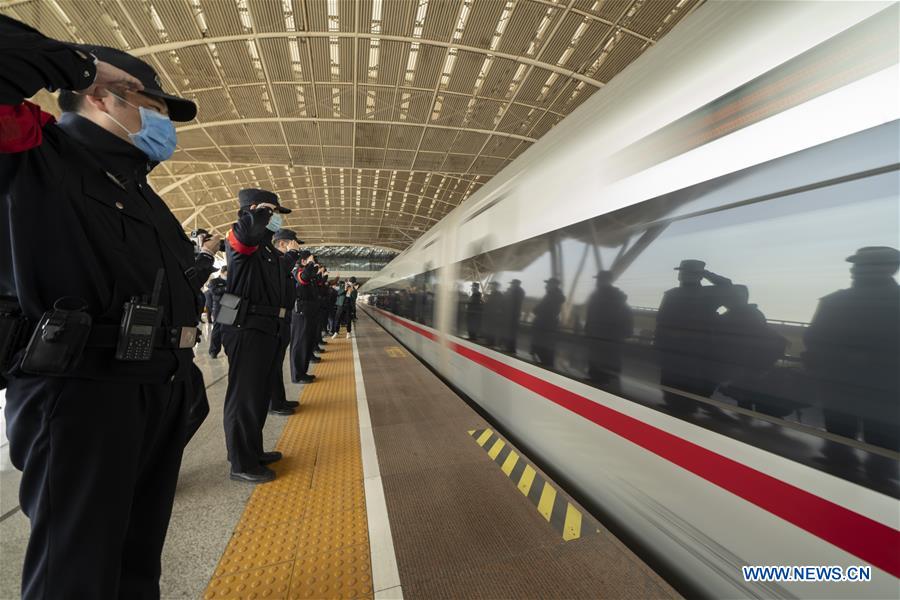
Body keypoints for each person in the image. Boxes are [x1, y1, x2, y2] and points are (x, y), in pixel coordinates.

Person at [0, 16, 220, 599]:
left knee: (134, 566)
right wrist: (79, 65)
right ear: (106, 96)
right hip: (81, 393)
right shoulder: (37, 151)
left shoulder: (139, 185)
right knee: (76, 577)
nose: (163, 123)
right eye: (155, 104)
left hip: (152, 387)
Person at [804, 247, 899, 482]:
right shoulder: (836, 300)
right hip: (880, 390)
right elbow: (814, 340)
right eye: (857, 265)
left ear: (891, 268)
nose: (855, 270)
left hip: (850, 386)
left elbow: (814, 340)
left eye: (862, 265)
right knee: (878, 451)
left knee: (849, 443)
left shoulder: (835, 302)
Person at [221, 188, 292, 483]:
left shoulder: (266, 251)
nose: (274, 219)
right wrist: (258, 213)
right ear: (256, 210)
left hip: (264, 328)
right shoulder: (242, 240)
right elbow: (246, 234)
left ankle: (254, 450)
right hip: (245, 327)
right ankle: (241, 463)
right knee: (244, 396)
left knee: (259, 395)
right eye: (272, 212)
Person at [654, 260, 732, 416]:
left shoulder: (700, 294)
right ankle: (680, 408)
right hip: (685, 349)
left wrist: (706, 274)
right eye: (681, 272)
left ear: (698, 276)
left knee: (680, 382)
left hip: (686, 349)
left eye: (685, 272)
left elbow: (729, 288)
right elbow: (661, 321)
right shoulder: (704, 295)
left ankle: (681, 409)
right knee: (677, 382)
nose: (681, 275)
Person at [269, 229, 303, 416]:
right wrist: (292, 255)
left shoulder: (282, 262)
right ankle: (273, 404)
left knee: (276, 364)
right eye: (294, 243)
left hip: (283, 318)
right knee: (271, 366)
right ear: (283, 244)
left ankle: (279, 399)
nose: (296, 247)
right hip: (273, 319)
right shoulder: (275, 260)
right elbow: (278, 274)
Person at [584, 271, 634, 388]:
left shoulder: (605, 296)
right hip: (605, 338)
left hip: (605, 337)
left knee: (604, 362)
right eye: (598, 279)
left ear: (607, 280)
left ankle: (600, 381)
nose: (598, 281)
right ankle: (602, 380)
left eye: (600, 279)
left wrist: (589, 330)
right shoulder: (611, 296)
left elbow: (592, 316)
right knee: (605, 362)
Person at [290, 250, 318, 383]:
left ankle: (303, 372)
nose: (313, 263)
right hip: (301, 313)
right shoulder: (297, 270)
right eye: (311, 260)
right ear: (303, 261)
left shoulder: (307, 271)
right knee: (300, 343)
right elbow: (303, 279)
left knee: (307, 343)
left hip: (309, 311)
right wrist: (310, 264)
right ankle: (297, 375)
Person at [531, 278, 565, 367]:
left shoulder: (554, 296)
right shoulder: (552, 295)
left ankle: (546, 367)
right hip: (545, 327)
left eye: (548, 284)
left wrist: (536, 310)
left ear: (554, 285)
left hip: (546, 327)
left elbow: (545, 310)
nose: (546, 286)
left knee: (545, 350)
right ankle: (545, 365)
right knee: (544, 350)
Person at [207, 266, 228, 358]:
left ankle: (229, 350)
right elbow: (214, 291)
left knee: (229, 330)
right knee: (217, 330)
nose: (228, 276)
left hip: (229, 307)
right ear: (222, 272)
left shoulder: (230, 281)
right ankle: (213, 351)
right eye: (227, 274)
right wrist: (226, 289)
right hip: (218, 308)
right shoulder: (214, 281)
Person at [503, 279, 525, 353]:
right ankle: (509, 347)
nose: (511, 285)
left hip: (513, 315)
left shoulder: (518, 292)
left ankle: (510, 348)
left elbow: (510, 301)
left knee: (511, 332)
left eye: (512, 284)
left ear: (516, 284)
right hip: (512, 315)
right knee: (510, 332)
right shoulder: (518, 291)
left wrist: (509, 292)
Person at [483, 281, 505, 346]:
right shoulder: (493, 294)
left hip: (493, 316)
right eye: (490, 285)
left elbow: (496, 305)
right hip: (490, 315)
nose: (490, 287)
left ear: (495, 286)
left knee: (492, 329)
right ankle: (489, 342)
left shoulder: (498, 295)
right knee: (488, 328)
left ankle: (491, 342)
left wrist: (487, 302)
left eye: (492, 285)